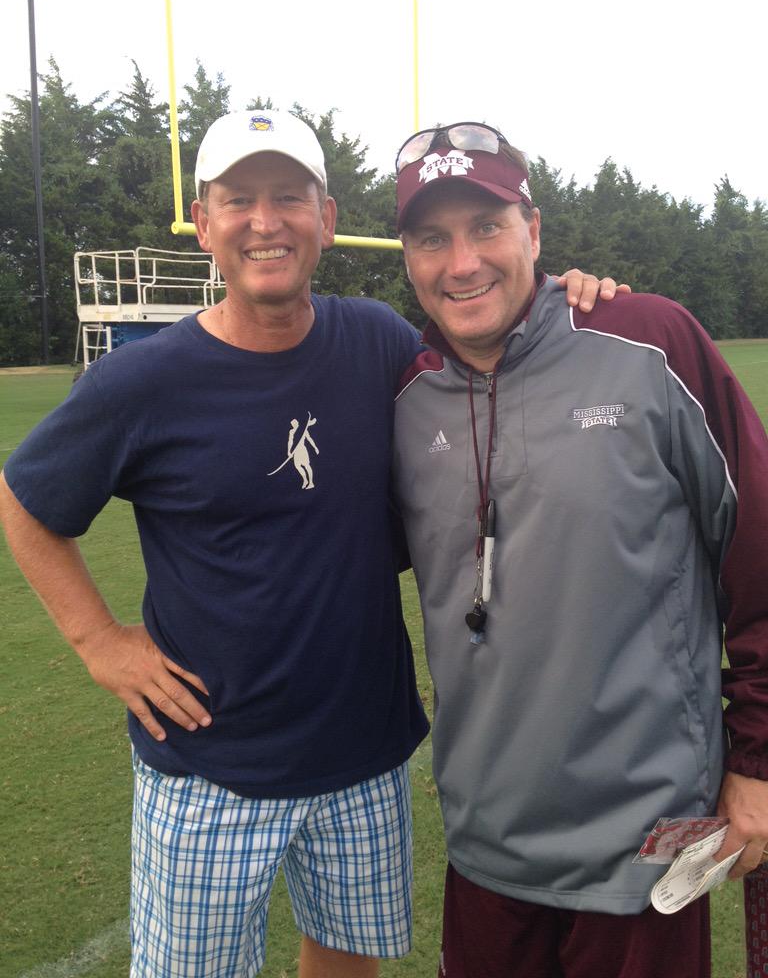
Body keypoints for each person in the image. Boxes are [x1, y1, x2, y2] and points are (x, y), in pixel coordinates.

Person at [0, 110, 621, 978]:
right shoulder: (141, 381)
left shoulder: (373, 337)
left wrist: (564, 298)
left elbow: (489, 368)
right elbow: (24, 500)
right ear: (203, 220)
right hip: (208, 765)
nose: (266, 221)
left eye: (289, 197)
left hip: (361, 758)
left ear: (326, 220)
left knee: (345, 965)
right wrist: (99, 643)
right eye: (239, 200)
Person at [391, 120, 768, 978]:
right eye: (432, 238)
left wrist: (756, 760)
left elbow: (759, 554)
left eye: (486, 227)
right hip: (486, 845)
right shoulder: (408, 400)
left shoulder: (650, 342)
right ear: (407, 256)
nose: (462, 263)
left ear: (533, 229)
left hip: (644, 853)